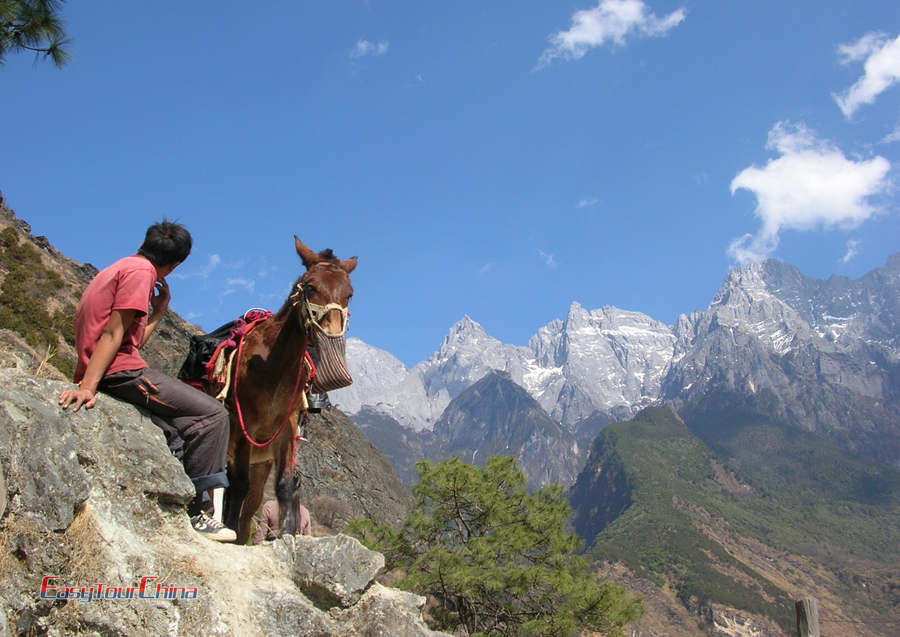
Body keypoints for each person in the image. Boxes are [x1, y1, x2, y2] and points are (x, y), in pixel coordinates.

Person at [57, 220, 236, 543]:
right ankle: (202, 512)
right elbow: (112, 334)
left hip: (115, 365)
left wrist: (158, 312)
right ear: (177, 264)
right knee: (213, 416)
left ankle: (179, 504)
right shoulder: (141, 274)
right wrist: (87, 386)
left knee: (174, 432)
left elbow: (130, 341)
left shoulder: (120, 267)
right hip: (119, 372)